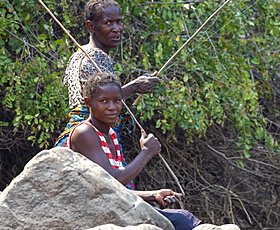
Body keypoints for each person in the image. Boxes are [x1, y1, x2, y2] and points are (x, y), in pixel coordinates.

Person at [64, 72, 241, 230]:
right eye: (103, 101)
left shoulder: (109, 132)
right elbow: (113, 182)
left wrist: (153, 195)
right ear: (89, 103)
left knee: (181, 216)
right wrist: (146, 153)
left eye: (117, 100)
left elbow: (110, 188)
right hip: (93, 209)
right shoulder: (85, 132)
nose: (112, 107)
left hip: (111, 202)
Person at [54, 0, 159, 149]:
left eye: (119, 22)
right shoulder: (95, 56)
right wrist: (135, 86)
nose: (116, 28)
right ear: (91, 26)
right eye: (108, 23)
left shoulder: (79, 53)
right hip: (90, 136)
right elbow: (101, 100)